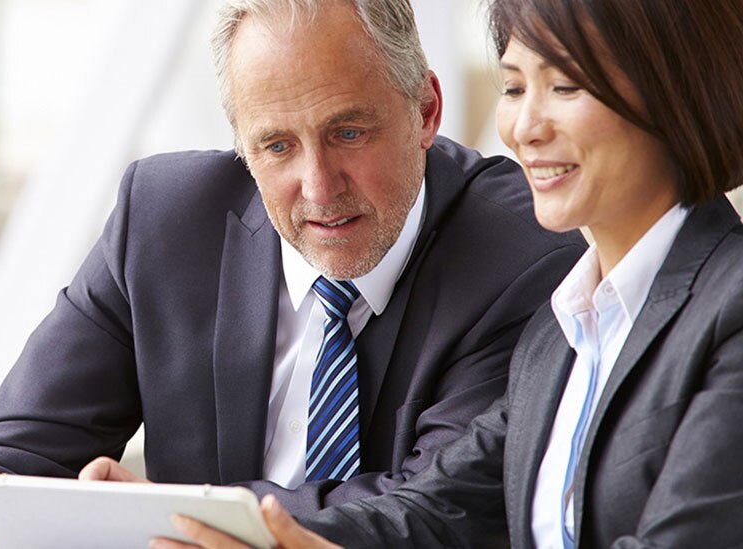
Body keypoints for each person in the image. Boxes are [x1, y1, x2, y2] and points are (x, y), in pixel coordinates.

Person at [0, 0, 586, 547]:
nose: (319, 187)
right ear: (242, 147)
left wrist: (176, 520)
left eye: (348, 133)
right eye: (277, 145)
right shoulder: (163, 221)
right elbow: (11, 452)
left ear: (425, 111)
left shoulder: (526, 249)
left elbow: (435, 512)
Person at [162, 0, 743, 547]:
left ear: (677, 91)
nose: (525, 128)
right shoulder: (565, 328)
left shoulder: (729, 309)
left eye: (564, 87)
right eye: (514, 88)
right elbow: (436, 511)